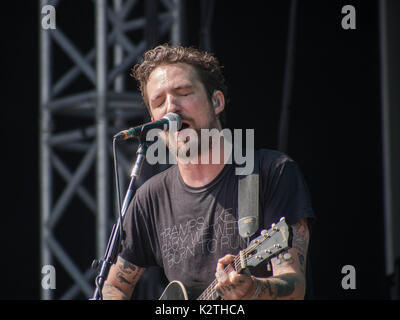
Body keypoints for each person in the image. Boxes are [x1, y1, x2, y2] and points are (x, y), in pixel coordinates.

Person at [102, 44, 315, 300]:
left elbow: (294, 284)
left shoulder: (271, 172)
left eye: (183, 93)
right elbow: (114, 286)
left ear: (216, 102)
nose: (171, 108)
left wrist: (254, 289)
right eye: (159, 102)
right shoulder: (151, 198)